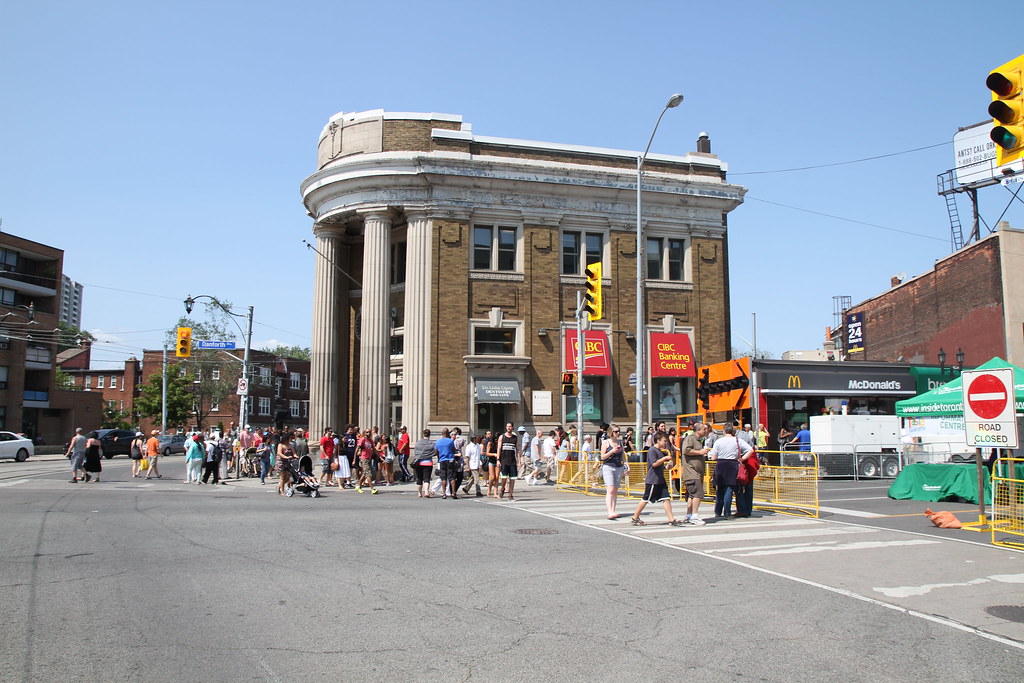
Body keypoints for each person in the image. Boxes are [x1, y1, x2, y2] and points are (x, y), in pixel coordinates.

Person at [629, 431, 683, 526]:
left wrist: (668, 466)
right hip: (653, 480)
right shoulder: (652, 450)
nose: (665, 443)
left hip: (660, 480)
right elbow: (654, 464)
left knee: (666, 498)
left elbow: (660, 465)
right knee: (646, 498)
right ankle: (635, 517)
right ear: (658, 441)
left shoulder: (660, 451)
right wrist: (664, 459)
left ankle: (671, 519)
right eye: (664, 441)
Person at [708, 424, 753, 519]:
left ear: (724, 431)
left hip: (720, 464)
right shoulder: (738, 440)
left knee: (719, 489)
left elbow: (713, 457)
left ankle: (718, 511)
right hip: (732, 465)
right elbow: (750, 450)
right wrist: (741, 459)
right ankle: (727, 512)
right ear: (733, 431)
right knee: (729, 489)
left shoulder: (719, 441)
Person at [681, 423, 710, 525]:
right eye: (704, 429)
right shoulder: (691, 438)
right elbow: (686, 450)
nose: (705, 431)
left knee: (692, 495)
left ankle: (689, 515)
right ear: (698, 430)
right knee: (697, 494)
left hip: (697, 472)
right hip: (692, 472)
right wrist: (700, 452)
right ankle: (695, 515)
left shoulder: (698, 440)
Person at [599, 424, 628, 520]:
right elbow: (602, 457)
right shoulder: (606, 442)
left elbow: (623, 455)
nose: (618, 433)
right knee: (610, 489)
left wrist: (626, 465)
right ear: (611, 432)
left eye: (619, 431)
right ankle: (610, 512)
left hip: (618, 467)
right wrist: (612, 451)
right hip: (608, 467)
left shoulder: (620, 442)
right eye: (616, 431)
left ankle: (613, 510)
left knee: (615, 490)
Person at [496, 423, 519, 501]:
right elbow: (499, 449)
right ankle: (502, 489)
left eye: (510, 426)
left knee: (512, 479)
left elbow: (518, 450)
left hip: (512, 461)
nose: (509, 428)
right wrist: (498, 460)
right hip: (504, 460)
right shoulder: (502, 437)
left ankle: (510, 495)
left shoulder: (515, 438)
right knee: (504, 478)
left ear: (513, 427)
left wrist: (519, 461)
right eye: (507, 426)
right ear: (506, 427)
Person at [412, 429, 437, 498]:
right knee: (426, 478)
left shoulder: (418, 443)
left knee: (419, 478)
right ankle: (426, 492)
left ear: (423, 434)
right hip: (428, 463)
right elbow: (435, 452)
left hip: (419, 463)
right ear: (429, 435)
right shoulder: (431, 444)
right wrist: (429, 455)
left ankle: (419, 493)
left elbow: (416, 452)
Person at [435, 428, 458, 499]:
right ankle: (454, 493)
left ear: (442, 433)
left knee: (443, 477)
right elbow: (454, 450)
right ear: (448, 433)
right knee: (452, 477)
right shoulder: (450, 441)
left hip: (442, 460)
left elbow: (436, 452)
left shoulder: (438, 442)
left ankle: (444, 493)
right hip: (450, 459)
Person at [355, 429, 378, 494]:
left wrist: (380, 457)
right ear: (365, 433)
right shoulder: (362, 439)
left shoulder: (370, 441)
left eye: (369, 432)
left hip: (369, 459)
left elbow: (374, 449)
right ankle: (372, 488)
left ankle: (358, 485)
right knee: (368, 474)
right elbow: (357, 449)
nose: (369, 433)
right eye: (367, 432)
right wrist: (354, 459)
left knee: (365, 473)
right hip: (364, 458)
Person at [482, 430, 499, 499]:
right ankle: (489, 489)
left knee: (497, 477)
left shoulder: (499, 444)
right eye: (496, 440)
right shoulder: (490, 443)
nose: (497, 441)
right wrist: (494, 454)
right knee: (492, 477)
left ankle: (495, 493)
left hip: (498, 461)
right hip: (491, 461)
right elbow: (487, 453)